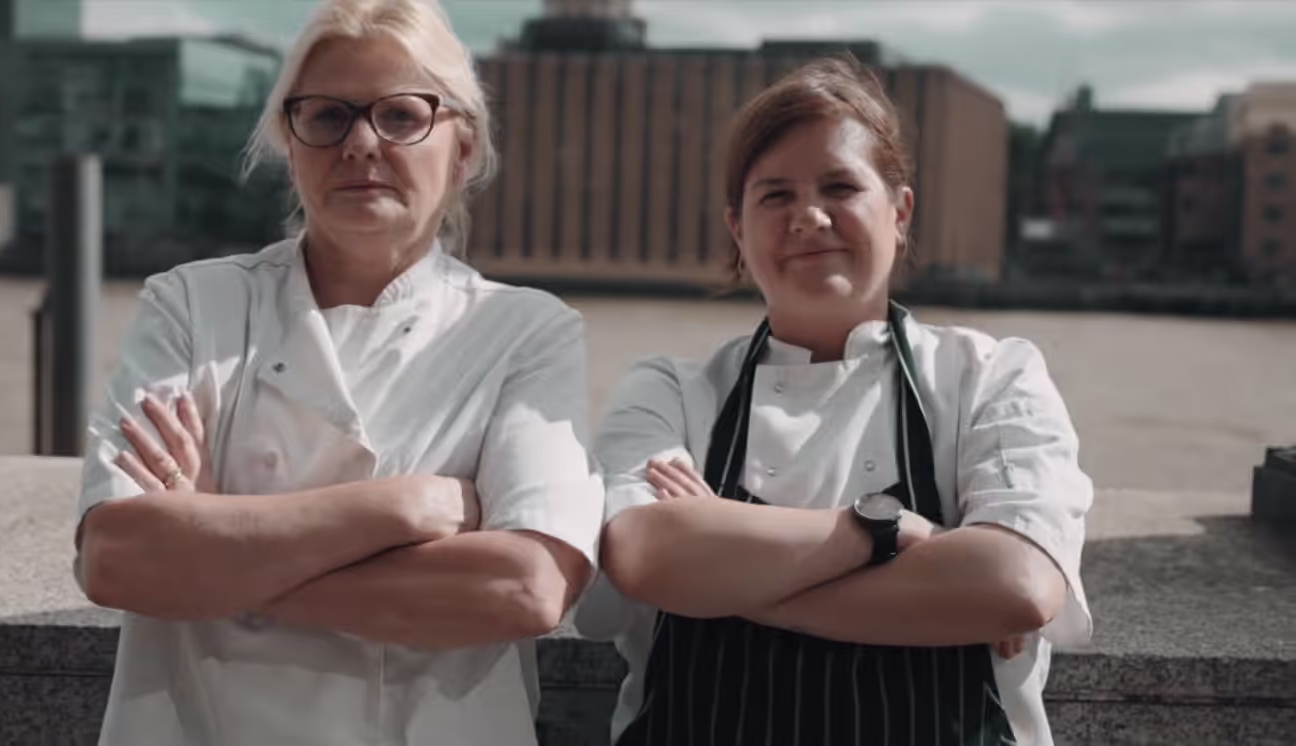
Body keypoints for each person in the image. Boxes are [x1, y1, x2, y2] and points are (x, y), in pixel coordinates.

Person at [72, 1, 603, 743]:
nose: (360, 144)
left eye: (401, 116)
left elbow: (524, 587)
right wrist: (404, 509)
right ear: (290, 146)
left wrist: (217, 561)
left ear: (464, 149)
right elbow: (117, 558)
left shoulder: (525, 332)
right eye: (326, 117)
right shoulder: (193, 305)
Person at [575, 57, 1092, 746]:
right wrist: (890, 532)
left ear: (900, 212)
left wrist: (724, 576)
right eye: (775, 196)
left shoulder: (993, 376)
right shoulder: (671, 390)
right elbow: (645, 554)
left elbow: (1018, 583)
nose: (809, 217)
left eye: (840, 186)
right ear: (737, 228)